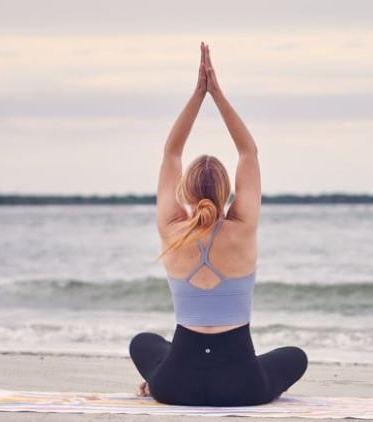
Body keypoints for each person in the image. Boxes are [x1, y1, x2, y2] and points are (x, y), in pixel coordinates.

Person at [128, 43, 308, 406]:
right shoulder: (243, 227)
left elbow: (171, 154)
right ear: (229, 191)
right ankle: (238, 369)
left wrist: (198, 95)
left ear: (184, 191)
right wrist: (218, 94)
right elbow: (248, 153)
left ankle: (156, 382)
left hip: (174, 386)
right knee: (294, 356)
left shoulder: (171, 227)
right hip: (242, 387)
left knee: (144, 343)